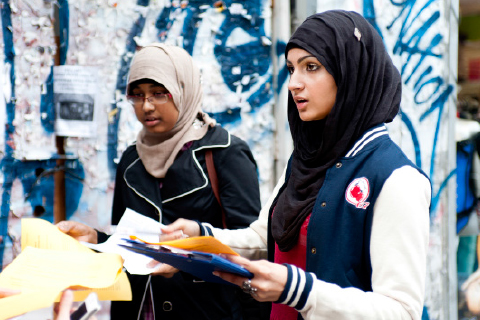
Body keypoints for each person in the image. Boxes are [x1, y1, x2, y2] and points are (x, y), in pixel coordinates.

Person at [161, 10, 431, 320]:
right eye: (291, 68)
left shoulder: (396, 179)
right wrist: (197, 239)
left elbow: (401, 311)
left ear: (351, 73)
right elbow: (264, 241)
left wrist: (299, 291)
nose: (293, 83)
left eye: (311, 67)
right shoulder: (306, 160)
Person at [57, 43, 265, 320]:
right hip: (141, 310)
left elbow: (251, 249)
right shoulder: (131, 159)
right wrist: (96, 239)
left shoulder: (225, 152)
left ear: (183, 90)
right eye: (137, 95)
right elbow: (129, 243)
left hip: (208, 310)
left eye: (159, 94)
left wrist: (184, 259)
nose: (147, 106)